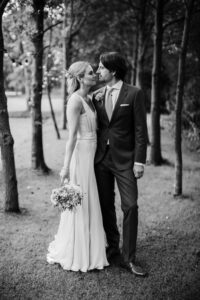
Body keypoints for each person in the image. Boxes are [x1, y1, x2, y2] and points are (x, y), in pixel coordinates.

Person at [47, 61, 109, 272]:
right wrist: (65, 168)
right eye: (91, 73)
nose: (95, 74)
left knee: (92, 199)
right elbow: (72, 137)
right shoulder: (74, 101)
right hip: (81, 155)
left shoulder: (90, 98)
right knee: (82, 200)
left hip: (93, 154)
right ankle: (79, 251)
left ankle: (93, 246)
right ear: (81, 78)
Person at [93, 52, 148, 277]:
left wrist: (139, 162)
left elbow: (140, 130)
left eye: (101, 68)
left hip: (126, 160)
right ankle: (113, 247)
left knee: (131, 206)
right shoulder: (97, 95)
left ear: (113, 70)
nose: (98, 71)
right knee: (105, 205)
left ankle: (129, 258)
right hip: (102, 159)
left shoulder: (134, 93)